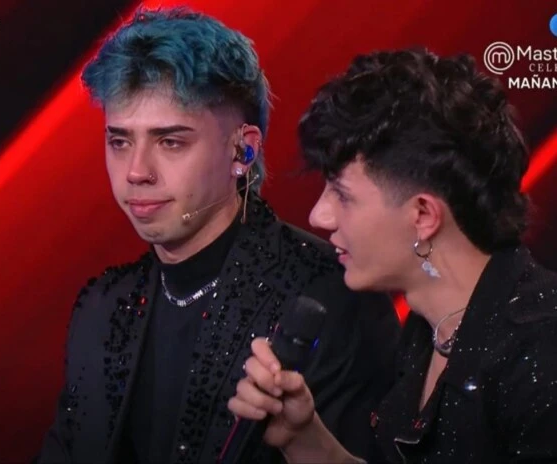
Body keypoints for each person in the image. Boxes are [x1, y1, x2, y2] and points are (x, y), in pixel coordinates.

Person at [34, 7, 401, 464]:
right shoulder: (103, 307)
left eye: (171, 142)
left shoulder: (334, 295)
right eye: (120, 141)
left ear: (243, 150)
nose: (136, 172)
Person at [228, 47, 557, 463]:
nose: (318, 216)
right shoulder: (426, 332)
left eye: (342, 194)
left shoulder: (542, 350)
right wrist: (302, 436)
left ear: (423, 215)